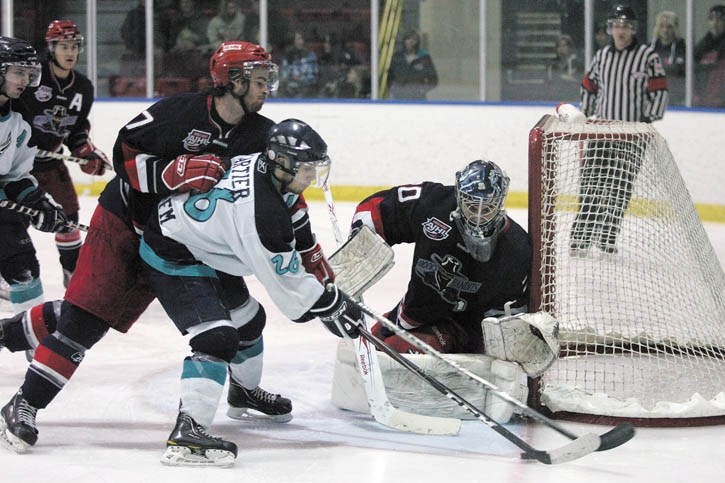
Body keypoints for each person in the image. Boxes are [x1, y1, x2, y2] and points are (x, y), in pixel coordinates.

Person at [0, 41, 321, 456]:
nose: (266, 89)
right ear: (232, 81)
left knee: (244, 321)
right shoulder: (179, 114)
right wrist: (170, 174)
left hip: (192, 244)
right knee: (84, 324)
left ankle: (244, 392)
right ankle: (23, 403)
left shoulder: (260, 134)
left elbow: (279, 189)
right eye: (259, 81)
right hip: (126, 227)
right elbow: (124, 154)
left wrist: (307, 249)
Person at [140, 118, 361, 466]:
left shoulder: (267, 167)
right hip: (173, 250)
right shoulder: (263, 216)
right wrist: (330, 306)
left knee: (250, 320)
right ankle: (188, 434)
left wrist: (312, 256)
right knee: (218, 338)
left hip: (205, 242)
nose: (312, 176)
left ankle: (242, 393)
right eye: (307, 168)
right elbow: (290, 292)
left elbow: (294, 213)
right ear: (283, 163)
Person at [350, 159, 531, 355]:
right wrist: (359, 250)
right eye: (472, 206)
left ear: (499, 204)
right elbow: (374, 210)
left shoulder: (515, 247)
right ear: (460, 197)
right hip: (415, 312)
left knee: (396, 350)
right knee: (370, 343)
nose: (478, 217)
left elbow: (510, 319)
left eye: (486, 209)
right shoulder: (435, 205)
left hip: (464, 329)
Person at [16, 20, 110, 288]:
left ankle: (74, 277)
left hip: (51, 164)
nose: (70, 52)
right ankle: (9, 272)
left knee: (68, 220)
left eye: (74, 46)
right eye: (64, 46)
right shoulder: (32, 78)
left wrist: (84, 151)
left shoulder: (83, 87)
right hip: (19, 166)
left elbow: (77, 128)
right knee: (14, 221)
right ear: (52, 48)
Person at [571, 4, 668, 255]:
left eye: (625, 26)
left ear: (633, 29)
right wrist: (587, 111)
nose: (620, 30)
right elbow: (589, 84)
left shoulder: (648, 56)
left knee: (620, 187)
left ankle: (606, 238)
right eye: (616, 25)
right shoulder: (602, 56)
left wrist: (646, 119)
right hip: (601, 131)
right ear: (610, 28)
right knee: (591, 184)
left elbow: (659, 90)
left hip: (631, 135)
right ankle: (581, 237)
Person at [0, 37, 69, 314]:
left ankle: (34, 347)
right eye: (18, 72)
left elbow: (16, 174)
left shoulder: (20, 117)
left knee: (25, 269)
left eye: (29, 74)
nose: (25, 80)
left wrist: (37, 201)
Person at [387, 30, 438, 100]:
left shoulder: (424, 58)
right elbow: (390, 77)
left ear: (418, 42)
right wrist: (395, 91)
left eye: (414, 39)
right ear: (404, 41)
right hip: (399, 98)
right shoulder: (397, 57)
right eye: (408, 39)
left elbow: (434, 79)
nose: (411, 41)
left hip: (418, 98)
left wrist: (422, 90)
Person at [650, 11, 686, 105]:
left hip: (675, 98)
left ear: (675, 28)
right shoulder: (649, 48)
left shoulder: (682, 48)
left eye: (669, 27)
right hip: (653, 97)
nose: (665, 30)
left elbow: (680, 71)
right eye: (662, 26)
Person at [694, 5, 725, 107]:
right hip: (704, 100)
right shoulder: (702, 45)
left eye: (720, 20)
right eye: (712, 19)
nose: (715, 24)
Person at [279, 31, 320, 98]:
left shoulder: (311, 56)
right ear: (293, 42)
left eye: (302, 39)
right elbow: (284, 75)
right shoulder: (288, 56)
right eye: (298, 39)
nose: (300, 42)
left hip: (306, 90)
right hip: (290, 90)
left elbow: (314, 76)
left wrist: (301, 79)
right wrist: (291, 77)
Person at [546, 34, 583, 102]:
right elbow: (549, 84)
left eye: (563, 46)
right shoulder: (552, 65)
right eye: (558, 46)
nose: (561, 48)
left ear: (570, 47)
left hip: (574, 100)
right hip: (556, 99)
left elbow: (581, 83)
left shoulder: (578, 64)